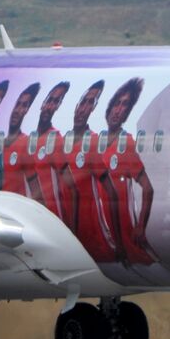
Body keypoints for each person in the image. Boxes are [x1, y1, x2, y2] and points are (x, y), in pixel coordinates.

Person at [95, 77, 157, 265]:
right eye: (117, 103)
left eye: (125, 106)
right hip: (104, 233)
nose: (118, 110)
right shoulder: (96, 142)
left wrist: (140, 227)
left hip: (122, 233)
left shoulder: (126, 143)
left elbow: (148, 188)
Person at [62, 81, 116, 262]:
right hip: (66, 230)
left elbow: (111, 191)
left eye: (90, 104)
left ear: (93, 109)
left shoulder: (91, 142)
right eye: (83, 102)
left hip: (91, 233)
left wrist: (116, 234)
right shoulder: (62, 142)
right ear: (76, 105)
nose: (84, 109)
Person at [26, 81, 70, 215]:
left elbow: (70, 185)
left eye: (55, 102)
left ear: (57, 107)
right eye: (49, 100)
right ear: (42, 103)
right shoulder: (29, 141)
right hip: (30, 215)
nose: (50, 106)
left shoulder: (55, 138)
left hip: (52, 217)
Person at [1, 82, 40, 196]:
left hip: (13, 211)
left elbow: (36, 192)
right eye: (17, 104)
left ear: (27, 111)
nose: (18, 110)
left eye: (23, 106)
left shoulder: (25, 144)